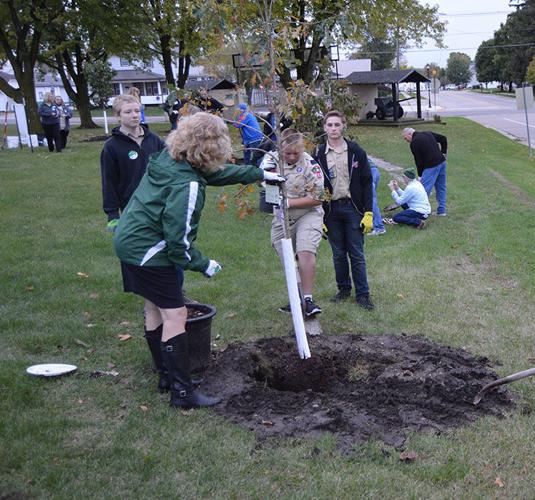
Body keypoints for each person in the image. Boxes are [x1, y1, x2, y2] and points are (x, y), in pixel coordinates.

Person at [113, 112, 284, 409]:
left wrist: (258, 174)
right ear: (212, 145)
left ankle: (166, 377)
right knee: (176, 315)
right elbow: (178, 243)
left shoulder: (171, 159)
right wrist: (204, 264)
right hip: (149, 251)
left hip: (129, 242)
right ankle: (182, 393)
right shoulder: (187, 185)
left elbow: (214, 174)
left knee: (154, 308)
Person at [313, 110, 375, 310]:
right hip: (331, 211)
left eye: (337, 125)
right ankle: (344, 289)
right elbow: (314, 185)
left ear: (343, 126)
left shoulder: (356, 151)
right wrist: (319, 215)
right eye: (329, 125)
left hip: (353, 208)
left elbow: (367, 182)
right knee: (338, 254)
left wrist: (368, 212)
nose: (333, 128)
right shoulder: (318, 154)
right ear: (324, 128)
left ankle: (363, 294)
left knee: (356, 253)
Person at [260, 129, 326, 317]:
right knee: (288, 259)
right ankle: (296, 300)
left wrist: (288, 202)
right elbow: (263, 182)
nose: (291, 156)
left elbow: (319, 198)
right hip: (282, 217)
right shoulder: (270, 160)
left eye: (295, 153)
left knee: (305, 251)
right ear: (280, 148)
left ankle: (308, 299)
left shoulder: (310, 165)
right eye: (287, 153)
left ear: (301, 149)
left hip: (308, 213)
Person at [101, 94, 165, 234]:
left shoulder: (154, 140)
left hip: (158, 202)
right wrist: (112, 214)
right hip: (131, 204)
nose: (134, 115)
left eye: (137, 111)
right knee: (136, 245)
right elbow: (109, 181)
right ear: (118, 116)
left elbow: (168, 167)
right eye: (128, 112)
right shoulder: (111, 146)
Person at [402, 127, 447, 216]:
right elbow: (443, 139)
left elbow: (419, 161)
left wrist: (420, 175)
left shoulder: (414, 143)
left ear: (409, 134)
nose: (406, 140)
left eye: (405, 137)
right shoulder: (428, 133)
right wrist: (443, 153)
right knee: (441, 187)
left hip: (431, 166)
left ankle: (420, 211)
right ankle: (442, 211)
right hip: (442, 163)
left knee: (423, 190)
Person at [368, 159, 386, 236]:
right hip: (374, 171)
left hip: (369, 173)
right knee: (368, 200)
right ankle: (370, 223)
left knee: (371, 201)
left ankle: (379, 228)